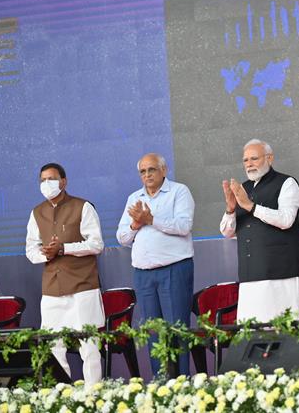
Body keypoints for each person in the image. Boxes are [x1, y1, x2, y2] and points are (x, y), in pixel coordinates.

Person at [26, 163, 105, 383]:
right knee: (54, 346)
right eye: (42, 180)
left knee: (89, 345)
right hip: (52, 287)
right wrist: (46, 254)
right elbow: (30, 250)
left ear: (63, 181)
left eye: (51, 179)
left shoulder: (83, 206)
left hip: (83, 286)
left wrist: (63, 248)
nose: (46, 184)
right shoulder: (37, 212)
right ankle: (61, 394)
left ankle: (94, 395)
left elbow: (96, 244)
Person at [116, 153, 195, 375]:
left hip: (174, 270)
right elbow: (122, 238)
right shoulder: (134, 198)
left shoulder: (179, 191)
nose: (147, 175)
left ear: (164, 170)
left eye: (151, 169)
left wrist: (150, 220)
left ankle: (181, 384)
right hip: (143, 274)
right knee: (153, 332)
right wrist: (135, 224)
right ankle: (161, 386)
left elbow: (184, 226)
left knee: (176, 330)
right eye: (143, 171)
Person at [220, 139, 299, 322]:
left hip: (281, 274)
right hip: (249, 274)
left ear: (269, 158)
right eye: (245, 160)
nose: (249, 164)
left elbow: (286, 219)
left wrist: (250, 206)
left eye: (254, 158)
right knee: (253, 330)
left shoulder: (287, 183)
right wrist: (230, 209)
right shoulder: (243, 188)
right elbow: (227, 232)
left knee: (286, 329)